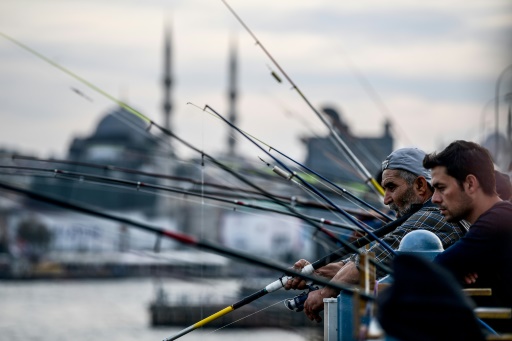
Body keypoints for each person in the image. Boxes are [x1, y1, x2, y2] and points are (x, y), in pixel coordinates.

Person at [285, 147, 468, 322]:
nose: (386, 199)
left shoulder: (434, 215)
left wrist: (325, 293)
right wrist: (316, 272)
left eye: (391, 187)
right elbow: (366, 259)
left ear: (420, 185)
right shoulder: (427, 214)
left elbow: (378, 257)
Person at [423, 140, 512, 332]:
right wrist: (456, 270)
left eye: (441, 188)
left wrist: (453, 269)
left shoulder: (499, 220)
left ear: (470, 184)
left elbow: (431, 272)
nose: (434, 199)